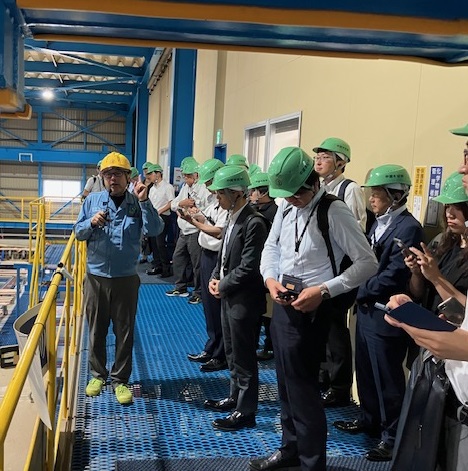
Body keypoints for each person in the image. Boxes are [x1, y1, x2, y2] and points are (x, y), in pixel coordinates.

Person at [250, 147, 378, 471]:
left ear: (312, 182)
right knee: (284, 383)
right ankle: (290, 449)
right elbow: (271, 247)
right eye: (287, 195)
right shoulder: (285, 206)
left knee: (304, 390)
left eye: (297, 194)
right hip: (283, 304)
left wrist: (323, 290)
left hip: (314, 309)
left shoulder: (334, 211)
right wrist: (270, 279)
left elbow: (367, 263)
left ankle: (311, 463)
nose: (292, 200)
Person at [334, 164, 424, 462]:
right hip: (367, 310)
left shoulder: (408, 228)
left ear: (395, 195)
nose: (371, 199)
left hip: (386, 313)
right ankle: (369, 419)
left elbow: (395, 273)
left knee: (387, 377)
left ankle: (392, 436)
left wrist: (357, 289)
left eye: (377, 194)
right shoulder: (379, 223)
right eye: (371, 193)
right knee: (366, 371)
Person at [74, 151, 163, 404]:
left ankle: (120, 380)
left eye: (118, 174)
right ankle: (97, 375)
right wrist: (91, 223)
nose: (113, 178)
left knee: (124, 332)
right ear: (103, 178)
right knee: (96, 330)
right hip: (96, 278)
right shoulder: (92, 201)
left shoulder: (137, 203)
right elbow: (78, 232)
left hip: (125, 279)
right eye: (108, 174)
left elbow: (155, 229)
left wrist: (145, 203)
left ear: (127, 177)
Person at [204, 165, 269, 431]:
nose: (217, 198)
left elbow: (249, 266)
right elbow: (224, 255)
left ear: (236, 193)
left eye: (221, 194)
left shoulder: (254, 222)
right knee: (231, 352)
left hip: (244, 299)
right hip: (229, 296)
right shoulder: (232, 217)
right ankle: (234, 398)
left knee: (244, 356)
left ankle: (246, 411)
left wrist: (223, 284)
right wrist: (214, 277)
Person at [313, 137, 366, 407]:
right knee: (321, 325)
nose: (319, 161)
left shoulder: (350, 189)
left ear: (341, 162)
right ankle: (323, 377)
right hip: (322, 267)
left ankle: (340, 387)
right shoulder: (319, 189)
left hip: (341, 269)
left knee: (335, 328)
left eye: (325, 157)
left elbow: (356, 230)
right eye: (317, 157)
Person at [184, 159, 229, 372]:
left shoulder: (228, 204)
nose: (209, 187)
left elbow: (219, 231)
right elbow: (208, 219)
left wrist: (195, 222)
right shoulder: (215, 201)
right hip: (206, 254)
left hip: (217, 256)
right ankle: (212, 347)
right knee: (209, 307)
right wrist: (195, 216)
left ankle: (221, 354)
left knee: (218, 308)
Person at [405, 171, 468, 311]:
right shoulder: (442, 242)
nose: (449, 214)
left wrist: (436, 278)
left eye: (458, 207)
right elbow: (418, 293)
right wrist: (417, 273)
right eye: (447, 206)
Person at [166, 157, 210, 303]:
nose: (185, 179)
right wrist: (181, 203)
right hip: (183, 230)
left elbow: (208, 211)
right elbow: (173, 204)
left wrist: (194, 211)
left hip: (195, 230)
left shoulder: (204, 189)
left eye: (188, 176)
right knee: (178, 258)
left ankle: (199, 292)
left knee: (197, 263)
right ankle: (180, 287)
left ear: (196, 175)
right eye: (184, 176)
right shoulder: (185, 188)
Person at [247, 172, 277, 361]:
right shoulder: (257, 211)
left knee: (268, 314)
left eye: (254, 191)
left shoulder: (273, 213)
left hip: (268, 270)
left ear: (264, 191)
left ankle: (270, 347)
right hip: (259, 268)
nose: (251, 194)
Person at [146, 163, 175, 278]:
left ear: (158, 174)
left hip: (163, 217)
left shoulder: (168, 187)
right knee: (153, 243)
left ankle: (166, 268)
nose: (149, 176)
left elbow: (171, 203)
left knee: (160, 243)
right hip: (153, 217)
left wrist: (159, 211)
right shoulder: (152, 188)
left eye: (151, 174)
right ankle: (157, 265)